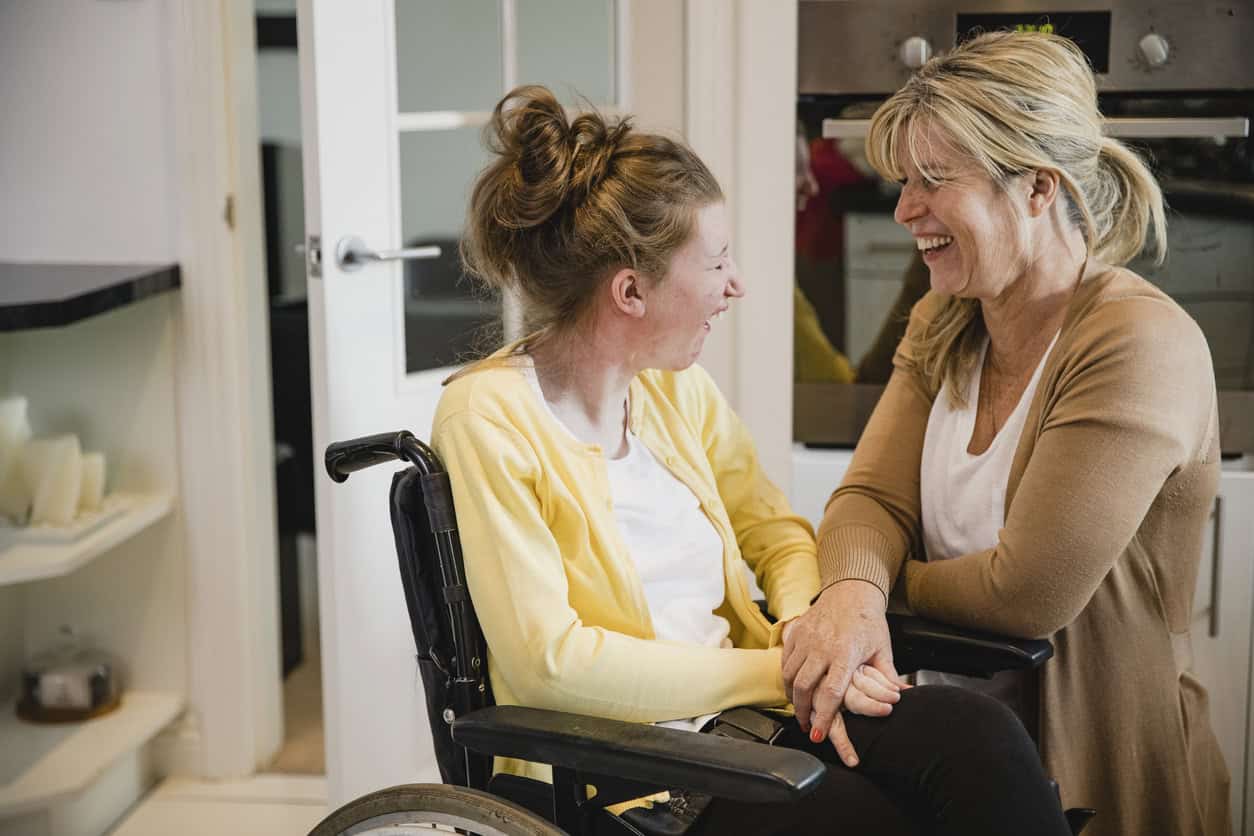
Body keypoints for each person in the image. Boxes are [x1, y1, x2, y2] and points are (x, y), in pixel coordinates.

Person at [431, 84, 1071, 836]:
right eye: (717, 263)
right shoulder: (489, 416)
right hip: (623, 773)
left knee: (977, 738)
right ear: (631, 291)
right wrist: (778, 670)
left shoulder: (676, 393)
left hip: (751, 724)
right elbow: (551, 664)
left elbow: (775, 531)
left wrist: (809, 630)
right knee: (878, 822)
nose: (735, 286)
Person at [782, 31, 1229, 836]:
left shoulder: (1134, 343)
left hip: (1091, 773)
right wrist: (853, 594)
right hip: (951, 763)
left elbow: (1026, 594)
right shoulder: (947, 317)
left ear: (1036, 187)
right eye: (903, 181)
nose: (904, 209)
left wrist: (875, 588)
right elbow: (867, 497)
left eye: (933, 181)